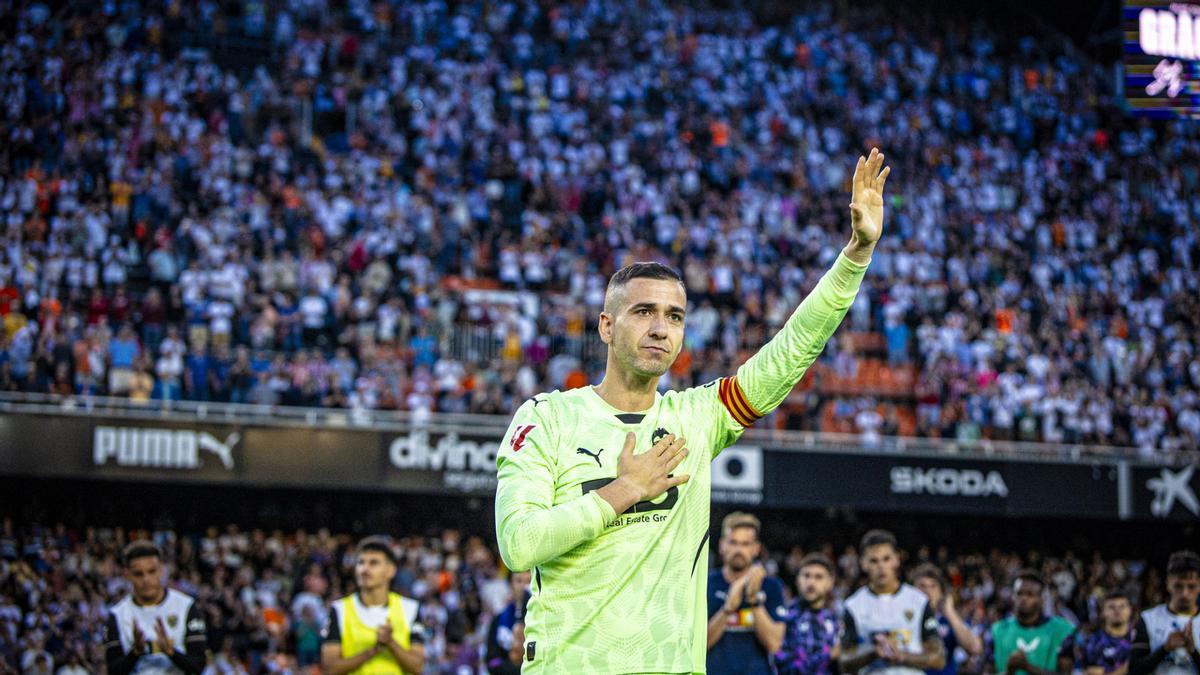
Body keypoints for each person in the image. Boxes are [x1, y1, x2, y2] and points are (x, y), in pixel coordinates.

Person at [493, 149, 890, 673]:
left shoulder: (698, 418)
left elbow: (792, 350)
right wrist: (623, 490)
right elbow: (518, 546)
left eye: (674, 316)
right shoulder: (546, 418)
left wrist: (856, 255)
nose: (660, 327)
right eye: (644, 312)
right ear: (607, 327)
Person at [839, 530, 946, 675]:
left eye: (886, 559)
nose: (881, 566)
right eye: (873, 561)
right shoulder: (853, 606)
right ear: (863, 564)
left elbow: (938, 659)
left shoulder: (918, 601)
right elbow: (844, 663)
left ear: (897, 559)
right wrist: (875, 652)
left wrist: (902, 656)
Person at [320, 536, 426, 675]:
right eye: (360, 562)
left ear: (390, 570)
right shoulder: (340, 609)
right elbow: (330, 668)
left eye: (373, 563)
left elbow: (417, 667)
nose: (364, 569)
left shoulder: (410, 609)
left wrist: (390, 643)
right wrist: (371, 651)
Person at [103, 541, 209, 675]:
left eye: (151, 571)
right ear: (127, 575)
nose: (146, 579)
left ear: (161, 571)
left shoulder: (186, 606)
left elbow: (198, 665)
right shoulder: (117, 615)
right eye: (138, 574)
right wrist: (135, 653)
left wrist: (170, 652)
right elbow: (113, 671)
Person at [706, 512, 786, 674]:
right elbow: (698, 645)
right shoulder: (706, 584)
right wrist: (727, 609)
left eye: (745, 544)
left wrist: (753, 600)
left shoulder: (772, 586)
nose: (738, 549)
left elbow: (774, 644)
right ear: (722, 546)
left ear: (756, 548)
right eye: (733, 542)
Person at [983, 570, 1075, 675]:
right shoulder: (997, 631)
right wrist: (1009, 672)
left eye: (1030, 594)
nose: (1023, 598)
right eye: (1019, 593)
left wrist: (1028, 668)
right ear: (1012, 596)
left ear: (1041, 599)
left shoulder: (1062, 631)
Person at [1131, 550, 1200, 675]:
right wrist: (1164, 649)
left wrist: (1193, 652)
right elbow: (1134, 670)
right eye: (1178, 586)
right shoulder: (1148, 619)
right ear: (1168, 583)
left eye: (1191, 586)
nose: (1185, 593)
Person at [775, 553, 842, 675]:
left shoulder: (836, 619)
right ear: (797, 580)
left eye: (818, 577)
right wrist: (829, 655)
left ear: (830, 582)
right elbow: (783, 665)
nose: (811, 583)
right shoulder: (786, 616)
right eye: (806, 576)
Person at [912, 563, 984, 675]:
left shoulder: (948, 621)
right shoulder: (903, 618)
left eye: (933, 586)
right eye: (922, 586)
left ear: (941, 593)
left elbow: (974, 648)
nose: (927, 591)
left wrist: (950, 612)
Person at [485, 570, 532, 675]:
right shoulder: (498, 620)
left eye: (529, 581)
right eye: (519, 581)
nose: (525, 587)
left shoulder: (542, 619)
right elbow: (492, 661)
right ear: (511, 585)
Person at [1083, 591, 1136, 675]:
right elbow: (1091, 672)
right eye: (1111, 607)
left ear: (1130, 610)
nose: (1117, 611)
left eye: (1122, 606)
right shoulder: (1094, 641)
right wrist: (1126, 669)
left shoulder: (1139, 638)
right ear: (1103, 612)